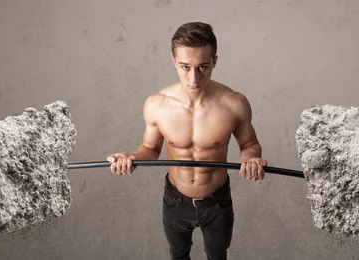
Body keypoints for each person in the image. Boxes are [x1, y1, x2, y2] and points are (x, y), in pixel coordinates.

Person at [107, 21, 267, 260]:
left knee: (217, 256)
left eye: (203, 67)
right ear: (174, 61)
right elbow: (150, 149)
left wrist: (252, 159)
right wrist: (130, 157)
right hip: (176, 200)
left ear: (215, 61)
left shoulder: (234, 103)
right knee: (178, 255)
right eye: (185, 67)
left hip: (217, 202)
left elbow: (249, 145)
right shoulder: (157, 104)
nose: (194, 78)